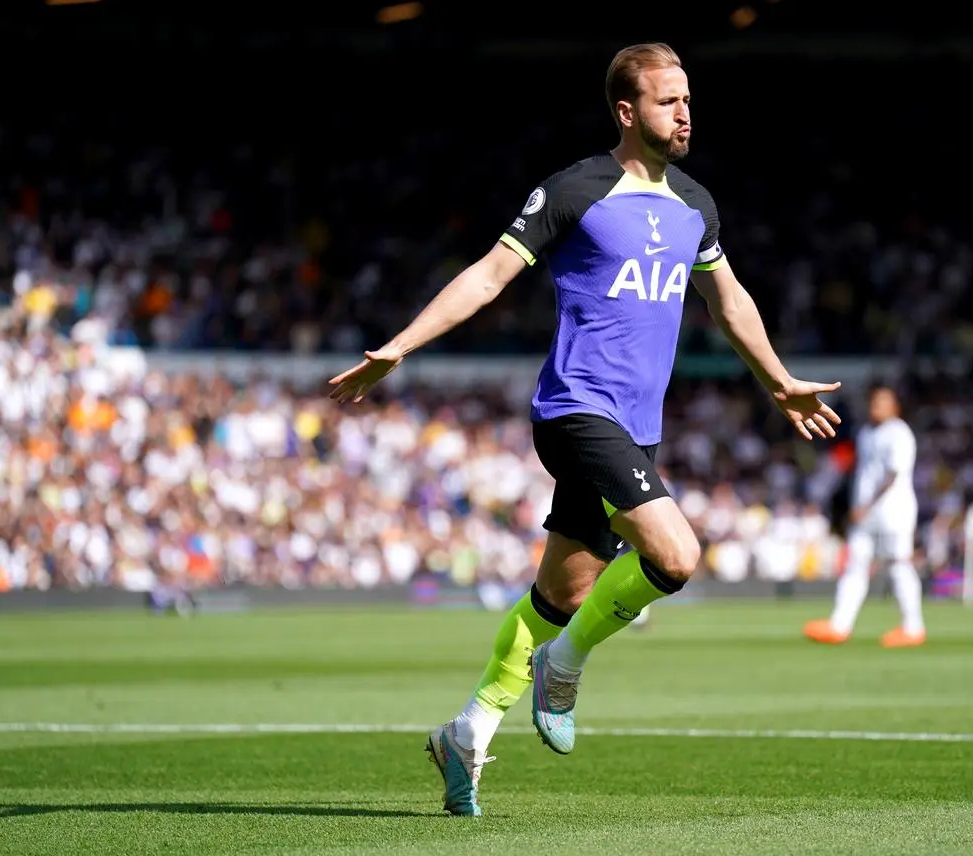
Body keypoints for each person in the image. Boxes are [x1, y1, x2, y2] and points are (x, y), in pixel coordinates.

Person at [328, 42, 843, 816]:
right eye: (670, 101)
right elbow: (490, 273)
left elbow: (729, 303)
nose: (686, 113)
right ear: (627, 111)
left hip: (637, 427)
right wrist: (400, 345)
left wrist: (777, 381)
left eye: (690, 99)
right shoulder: (578, 189)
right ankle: (562, 668)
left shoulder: (696, 206)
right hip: (575, 409)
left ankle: (465, 733)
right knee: (676, 554)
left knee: (562, 592)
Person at [803, 384, 924, 648]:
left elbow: (894, 475)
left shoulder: (899, 433)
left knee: (898, 564)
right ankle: (839, 625)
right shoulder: (866, 432)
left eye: (883, 402)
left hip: (894, 511)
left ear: (895, 407)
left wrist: (866, 506)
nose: (876, 407)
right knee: (855, 565)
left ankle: (913, 627)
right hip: (865, 513)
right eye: (874, 401)